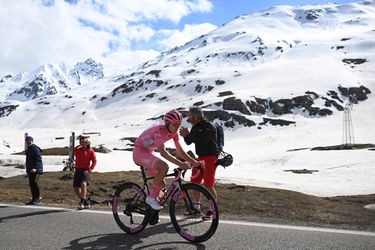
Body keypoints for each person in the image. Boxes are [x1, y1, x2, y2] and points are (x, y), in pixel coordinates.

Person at [133, 110, 202, 210]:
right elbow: (163, 152)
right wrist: (180, 163)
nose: (177, 127)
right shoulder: (158, 131)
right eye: (175, 124)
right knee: (164, 166)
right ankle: (151, 198)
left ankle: (150, 211)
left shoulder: (174, 134)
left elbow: (180, 151)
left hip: (148, 152)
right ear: (167, 123)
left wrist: (193, 162)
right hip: (139, 152)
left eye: (179, 124)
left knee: (162, 184)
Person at [179, 106, 218, 220]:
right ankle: (196, 209)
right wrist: (185, 135)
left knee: (208, 184)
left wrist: (189, 135)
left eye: (190, 115)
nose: (188, 117)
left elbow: (203, 142)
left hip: (210, 157)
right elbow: (189, 142)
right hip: (200, 158)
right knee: (195, 182)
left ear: (196, 116)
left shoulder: (209, 126)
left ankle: (213, 211)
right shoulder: (195, 127)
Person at [73, 135, 97, 209]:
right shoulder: (78, 149)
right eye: (81, 141)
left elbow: (94, 161)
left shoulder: (90, 150)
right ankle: (85, 201)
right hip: (78, 170)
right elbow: (74, 150)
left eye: (83, 141)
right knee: (76, 188)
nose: (82, 143)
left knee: (83, 184)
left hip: (85, 170)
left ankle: (82, 203)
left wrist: (89, 170)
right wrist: (81, 145)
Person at [25, 136, 43, 205]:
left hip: (35, 170)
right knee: (32, 184)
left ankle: (37, 198)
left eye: (29, 140)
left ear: (32, 141)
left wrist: (36, 168)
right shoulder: (29, 149)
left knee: (34, 184)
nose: (28, 142)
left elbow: (38, 159)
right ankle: (34, 198)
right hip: (31, 170)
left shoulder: (34, 148)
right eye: (27, 141)